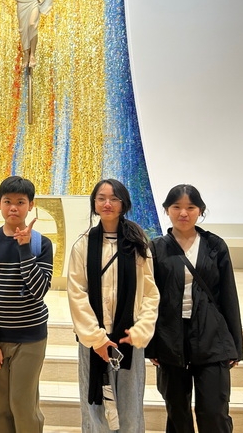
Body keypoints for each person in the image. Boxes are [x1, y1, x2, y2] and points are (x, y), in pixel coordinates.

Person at [145, 184, 243, 432]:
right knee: (177, 411)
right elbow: (149, 299)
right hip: (170, 336)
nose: (183, 213)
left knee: (213, 411)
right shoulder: (156, 248)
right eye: (176, 207)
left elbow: (228, 296)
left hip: (211, 335)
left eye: (190, 207)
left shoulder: (215, 246)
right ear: (167, 210)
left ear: (200, 210)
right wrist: (152, 344)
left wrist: (236, 345)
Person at [67, 178, 159, 432]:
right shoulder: (83, 244)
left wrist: (141, 330)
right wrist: (96, 338)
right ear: (94, 204)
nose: (107, 203)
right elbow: (77, 293)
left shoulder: (137, 243)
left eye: (114, 198)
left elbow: (150, 292)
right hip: (93, 341)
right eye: (101, 198)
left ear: (123, 203)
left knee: (130, 408)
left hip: (128, 338)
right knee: (94, 408)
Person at [0, 175, 53, 433]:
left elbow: (39, 290)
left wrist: (25, 249)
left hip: (30, 338)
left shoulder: (41, 244)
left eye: (20, 202)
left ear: (31, 205)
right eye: (8, 202)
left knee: (23, 406)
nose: (13, 208)